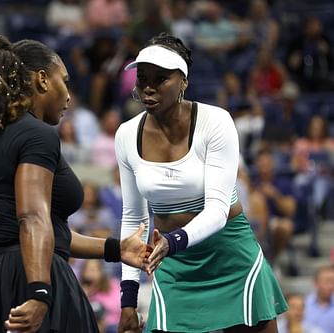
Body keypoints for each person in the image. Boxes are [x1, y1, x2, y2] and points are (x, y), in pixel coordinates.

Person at [0, 34, 152, 333]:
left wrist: (116, 249)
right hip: (27, 278)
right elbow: (32, 217)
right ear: (42, 79)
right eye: (64, 81)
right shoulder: (37, 134)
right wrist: (39, 292)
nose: (68, 95)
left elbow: (47, 230)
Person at [115, 33, 288, 333]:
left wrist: (172, 242)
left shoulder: (216, 122)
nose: (148, 87)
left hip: (229, 256)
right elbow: (134, 218)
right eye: (142, 77)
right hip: (173, 265)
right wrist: (128, 300)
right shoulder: (126, 135)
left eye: (161, 78)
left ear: (183, 81)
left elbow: (218, 210)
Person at [304, 266, 334, 333]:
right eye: (327, 282)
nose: (331, 286)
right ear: (316, 283)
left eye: (333, 282)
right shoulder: (304, 304)